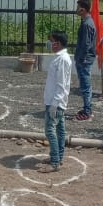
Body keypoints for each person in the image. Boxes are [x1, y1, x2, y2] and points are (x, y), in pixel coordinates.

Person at [40, 30, 72, 173]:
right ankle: (58, 157)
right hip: (55, 100)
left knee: (50, 131)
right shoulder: (60, 58)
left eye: (52, 41)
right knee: (59, 130)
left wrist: (54, 103)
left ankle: (55, 161)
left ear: (58, 43)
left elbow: (61, 84)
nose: (50, 43)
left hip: (56, 102)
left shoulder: (63, 60)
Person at [74, 0, 97, 121]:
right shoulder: (86, 22)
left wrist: (80, 59)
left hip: (85, 60)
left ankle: (87, 111)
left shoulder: (87, 23)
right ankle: (87, 108)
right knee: (85, 85)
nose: (77, 9)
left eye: (78, 7)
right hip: (84, 59)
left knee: (85, 86)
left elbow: (86, 44)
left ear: (83, 9)